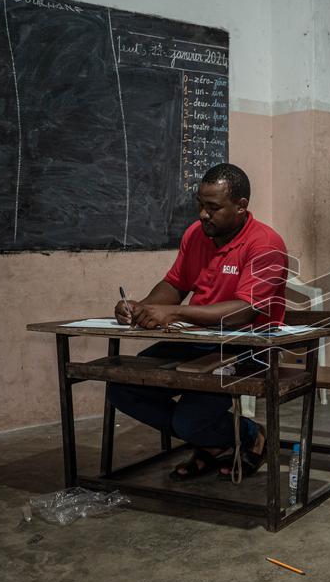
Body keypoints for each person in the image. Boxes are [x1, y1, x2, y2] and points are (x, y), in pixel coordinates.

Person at [106, 163, 288, 482]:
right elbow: (175, 285)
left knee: (188, 422)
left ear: (241, 206)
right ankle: (214, 443)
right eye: (200, 205)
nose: (203, 214)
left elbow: (245, 310)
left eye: (213, 207)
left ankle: (249, 434)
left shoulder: (266, 245)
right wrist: (140, 307)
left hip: (247, 349)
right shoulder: (197, 233)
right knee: (122, 388)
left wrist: (175, 314)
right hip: (198, 341)